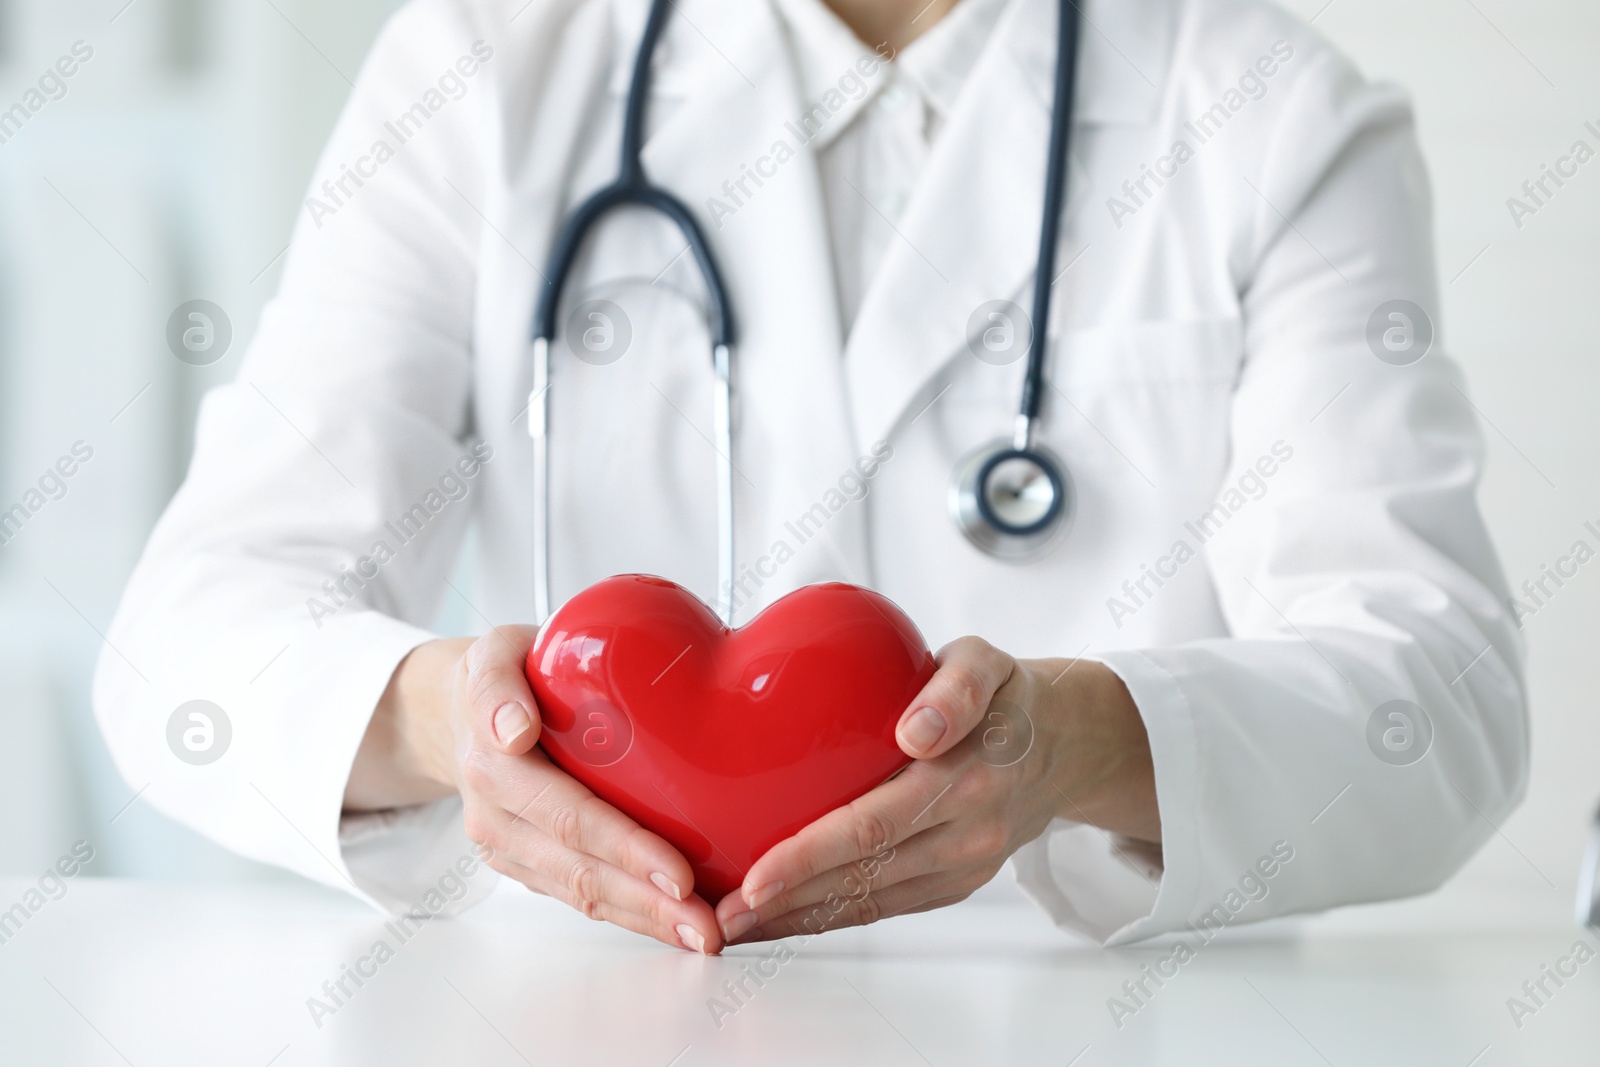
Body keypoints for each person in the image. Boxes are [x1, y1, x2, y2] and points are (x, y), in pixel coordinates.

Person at [94, 0, 1526, 955]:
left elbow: (1441, 699)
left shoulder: (1266, 112)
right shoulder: (484, 64)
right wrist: (450, 723)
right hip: (596, 1021)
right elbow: (185, 648)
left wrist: (1074, 744)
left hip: (1083, 1027)